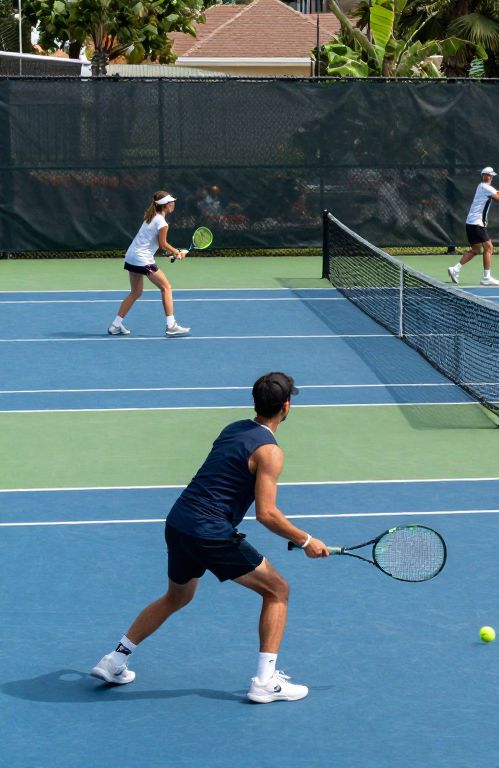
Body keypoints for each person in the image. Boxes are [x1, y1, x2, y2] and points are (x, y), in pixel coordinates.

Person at [90, 372, 331, 704]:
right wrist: (306, 541)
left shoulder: (233, 428)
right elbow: (267, 514)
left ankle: (115, 659)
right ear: (287, 406)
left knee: (177, 597)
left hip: (179, 522)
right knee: (277, 591)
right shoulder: (270, 452)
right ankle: (265, 681)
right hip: (209, 531)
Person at [108, 191, 191, 337]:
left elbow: (154, 244)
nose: (173, 203)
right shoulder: (162, 222)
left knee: (136, 292)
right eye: (171, 202)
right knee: (166, 287)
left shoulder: (151, 218)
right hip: (142, 259)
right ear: (165, 205)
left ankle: (116, 324)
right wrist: (177, 252)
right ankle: (171, 325)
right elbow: (163, 243)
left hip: (131, 257)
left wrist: (173, 253)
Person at [447, 166, 499, 287]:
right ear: (485, 176)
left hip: (471, 223)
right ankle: (486, 278)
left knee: (476, 250)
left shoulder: (482, 187)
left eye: (492, 175)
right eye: (489, 175)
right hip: (476, 223)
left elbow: (497, 193)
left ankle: (455, 269)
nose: (491, 177)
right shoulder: (485, 187)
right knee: (489, 248)